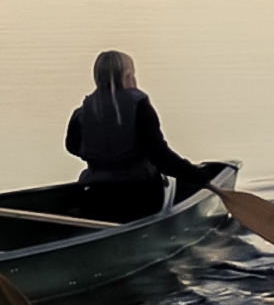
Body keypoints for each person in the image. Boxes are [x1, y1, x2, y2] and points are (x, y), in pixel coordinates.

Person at [67, 50, 211, 220]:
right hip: (140, 198)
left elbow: (72, 146)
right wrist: (198, 176)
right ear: (128, 76)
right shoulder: (140, 109)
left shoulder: (81, 113)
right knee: (177, 184)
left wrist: (104, 160)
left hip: (97, 196)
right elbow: (162, 158)